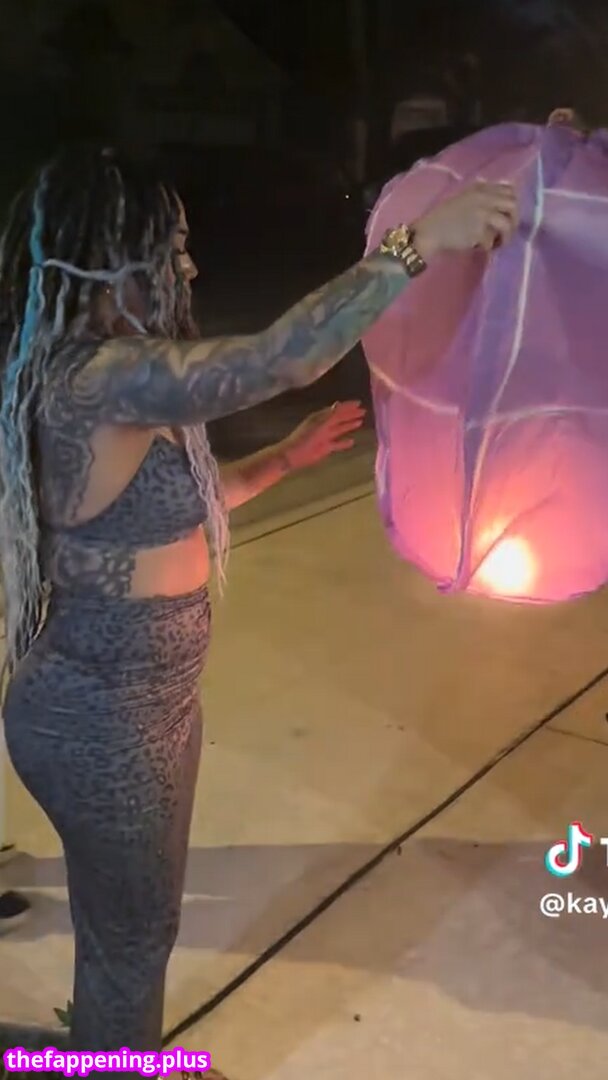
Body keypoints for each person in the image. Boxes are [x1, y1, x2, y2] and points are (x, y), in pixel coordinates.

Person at [0, 143, 517, 1061]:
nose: (189, 268)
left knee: (128, 931)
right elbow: (280, 358)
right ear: (107, 260)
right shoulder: (94, 380)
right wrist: (417, 243)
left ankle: (94, 1053)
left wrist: (282, 460)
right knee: (134, 942)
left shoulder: (114, 377)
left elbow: (174, 518)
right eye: (170, 249)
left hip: (154, 707)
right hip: (98, 718)